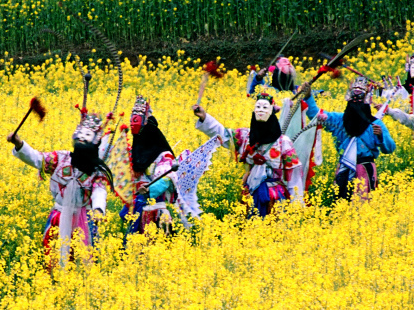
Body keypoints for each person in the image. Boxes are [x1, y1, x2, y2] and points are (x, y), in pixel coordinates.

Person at [7, 111, 111, 268]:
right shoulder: (61, 158)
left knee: (84, 259)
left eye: (86, 141)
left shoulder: (96, 171)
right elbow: (38, 159)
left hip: (84, 218)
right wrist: (19, 144)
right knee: (53, 256)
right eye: (79, 139)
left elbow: (99, 191)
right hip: (59, 215)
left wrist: (98, 210)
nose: (81, 143)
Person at [192, 89, 300, 217]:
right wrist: (205, 117)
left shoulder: (283, 143)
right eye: (258, 107)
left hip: (274, 197)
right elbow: (224, 135)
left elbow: (294, 174)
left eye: (265, 107)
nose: (261, 110)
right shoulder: (245, 136)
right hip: (251, 194)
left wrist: (296, 204)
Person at [297, 76, 396, 201]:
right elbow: (315, 114)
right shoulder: (339, 120)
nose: (356, 105)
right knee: (341, 201)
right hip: (344, 166)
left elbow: (390, 148)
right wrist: (308, 96)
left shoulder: (375, 124)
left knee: (362, 205)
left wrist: (381, 136)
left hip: (364, 168)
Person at [250, 57, 323, 205]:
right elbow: (255, 93)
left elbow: (312, 93)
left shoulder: (294, 90)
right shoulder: (270, 92)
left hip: (284, 142)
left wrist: (315, 93)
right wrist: (257, 79)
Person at [122, 96, 178, 236]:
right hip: (135, 212)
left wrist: (148, 190)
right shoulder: (133, 156)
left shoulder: (164, 156)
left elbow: (166, 180)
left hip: (155, 213)